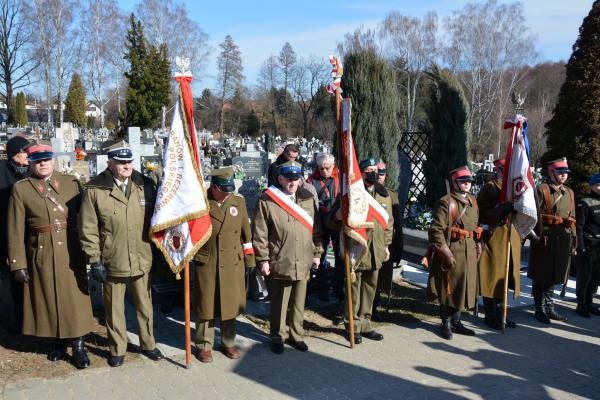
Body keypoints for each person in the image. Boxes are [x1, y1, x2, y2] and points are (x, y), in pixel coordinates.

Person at [7, 142, 94, 369]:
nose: (43, 164)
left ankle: (78, 344)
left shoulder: (70, 183)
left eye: (46, 159)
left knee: (74, 299)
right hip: (41, 250)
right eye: (38, 161)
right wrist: (17, 263)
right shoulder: (22, 188)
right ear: (31, 163)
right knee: (48, 297)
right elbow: (15, 229)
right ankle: (57, 340)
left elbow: (87, 219)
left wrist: (91, 251)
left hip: (70, 248)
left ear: (52, 160)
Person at [79, 141, 164, 367]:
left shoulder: (144, 184)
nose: (127, 166)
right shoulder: (95, 189)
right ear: (110, 163)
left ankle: (148, 344)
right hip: (112, 258)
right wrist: (94, 259)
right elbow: (88, 227)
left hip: (141, 255)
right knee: (114, 308)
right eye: (121, 162)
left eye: (129, 161)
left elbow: (156, 220)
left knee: (145, 306)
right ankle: (117, 348)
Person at [252, 161, 323, 354]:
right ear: (280, 178)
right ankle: (278, 336)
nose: (292, 183)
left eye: (296, 179)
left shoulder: (307, 199)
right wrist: (263, 260)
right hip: (280, 259)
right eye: (289, 179)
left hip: (304, 258)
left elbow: (316, 229)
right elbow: (260, 233)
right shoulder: (268, 200)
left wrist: (317, 253)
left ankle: (296, 335)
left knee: (299, 303)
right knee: (280, 303)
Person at [193, 167, 256, 363]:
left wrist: (249, 259)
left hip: (232, 262)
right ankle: (204, 345)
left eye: (231, 188)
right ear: (214, 187)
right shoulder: (202, 202)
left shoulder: (238, 202)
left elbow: (246, 235)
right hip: (208, 261)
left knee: (229, 304)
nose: (228, 193)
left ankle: (228, 342)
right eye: (224, 189)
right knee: (206, 305)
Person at [330, 158, 393, 344]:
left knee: (370, 289)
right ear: (362, 173)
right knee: (354, 291)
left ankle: (365, 324)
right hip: (358, 250)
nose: (373, 173)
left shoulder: (384, 195)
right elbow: (330, 221)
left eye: (376, 170)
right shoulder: (350, 194)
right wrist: (337, 216)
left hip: (376, 249)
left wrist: (386, 245)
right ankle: (352, 325)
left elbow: (389, 224)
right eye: (369, 170)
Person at [427, 166, 481, 340]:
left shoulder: (473, 201)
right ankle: (446, 322)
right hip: (453, 251)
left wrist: (479, 244)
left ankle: (457, 321)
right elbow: (435, 231)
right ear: (454, 182)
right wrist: (446, 254)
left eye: (469, 181)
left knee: (463, 287)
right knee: (448, 288)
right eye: (463, 181)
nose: (467, 184)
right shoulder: (446, 202)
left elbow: (475, 226)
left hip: (470, 251)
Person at [527, 158, 576, 324]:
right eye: (560, 172)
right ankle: (539, 308)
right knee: (541, 274)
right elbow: (531, 216)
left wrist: (574, 239)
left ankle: (550, 307)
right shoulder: (542, 190)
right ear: (551, 172)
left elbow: (572, 217)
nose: (564, 176)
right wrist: (534, 237)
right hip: (545, 239)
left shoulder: (569, 192)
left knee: (554, 273)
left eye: (566, 173)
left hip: (562, 239)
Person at [477, 159, 520, 330]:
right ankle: (490, 315)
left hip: (511, 235)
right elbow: (482, 214)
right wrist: (502, 209)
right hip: (495, 236)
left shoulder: (517, 188)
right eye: (506, 170)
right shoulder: (489, 187)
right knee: (491, 275)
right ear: (499, 170)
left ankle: (502, 313)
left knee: (505, 277)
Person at [0, 135, 31, 333]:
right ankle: (19, 319)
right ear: (14, 155)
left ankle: (30, 318)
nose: (27, 155)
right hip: (5, 233)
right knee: (14, 278)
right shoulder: (2, 171)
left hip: (29, 233)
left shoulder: (32, 171)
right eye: (23, 152)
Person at [307, 153, 343, 302]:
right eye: (321, 168)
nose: (324, 171)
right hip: (320, 223)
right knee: (320, 257)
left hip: (336, 222)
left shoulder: (341, 178)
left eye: (327, 168)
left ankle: (338, 288)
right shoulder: (312, 180)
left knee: (340, 256)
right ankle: (321, 290)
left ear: (333, 166)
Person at [372, 161, 404, 321]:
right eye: (376, 173)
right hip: (369, 241)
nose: (379, 176)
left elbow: (397, 224)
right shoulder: (365, 192)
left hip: (386, 243)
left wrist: (398, 247)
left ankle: (373, 307)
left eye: (382, 173)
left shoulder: (392, 195)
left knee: (381, 278)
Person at [574, 173, 600, 317]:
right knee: (585, 276)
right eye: (598, 184)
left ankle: (590, 302)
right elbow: (579, 227)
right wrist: (581, 246)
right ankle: (581, 304)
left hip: (599, 247)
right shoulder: (584, 202)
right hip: (588, 245)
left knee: (596, 277)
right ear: (591, 186)